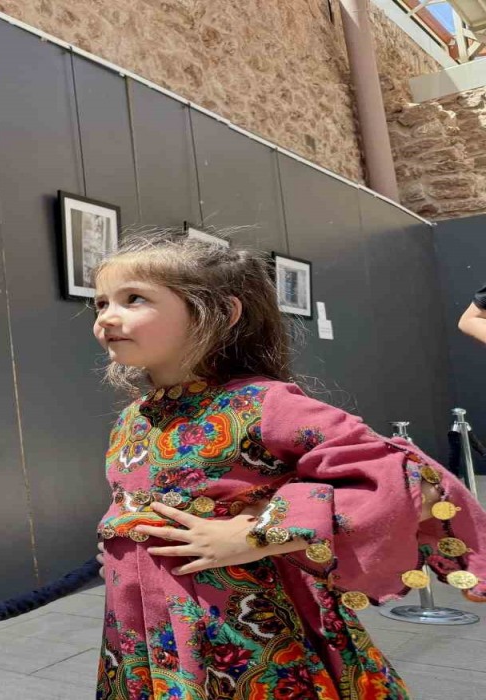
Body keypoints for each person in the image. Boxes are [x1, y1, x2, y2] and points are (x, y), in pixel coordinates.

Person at [89, 233, 486, 699]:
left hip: (248, 639)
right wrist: (126, 545)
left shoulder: (265, 403)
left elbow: (411, 483)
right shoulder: (133, 417)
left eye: (134, 299)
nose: (106, 318)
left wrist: (256, 533)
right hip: (143, 639)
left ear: (220, 313)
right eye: (100, 303)